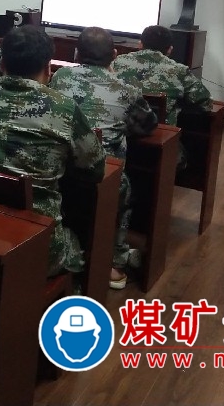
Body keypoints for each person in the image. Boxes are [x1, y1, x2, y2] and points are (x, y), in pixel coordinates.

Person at [0, 26, 105, 277]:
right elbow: (94, 170)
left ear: (2, 64)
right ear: (48, 68)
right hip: (38, 244)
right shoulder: (64, 108)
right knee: (79, 240)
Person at [50, 27, 157, 289]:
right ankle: (114, 262)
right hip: (101, 175)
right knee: (125, 190)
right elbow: (148, 125)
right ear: (115, 55)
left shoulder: (60, 76)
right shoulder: (126, 90)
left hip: (60, 166)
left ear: (76, 54)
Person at [113, 25, 213, 126]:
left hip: (121, 127)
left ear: (140, 44)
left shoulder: (117, 62)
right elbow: (206, 103)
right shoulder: (179, 70)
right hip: (159, 131)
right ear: (170, 49)